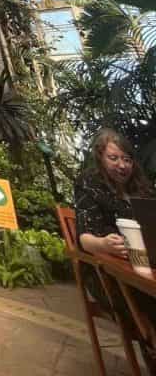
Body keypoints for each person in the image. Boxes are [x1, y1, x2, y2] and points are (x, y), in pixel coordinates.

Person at [75, 127, 156, 368]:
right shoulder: (89, 184)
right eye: (114, 158)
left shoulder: (141, 189)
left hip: (145, 266)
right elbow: (83, 238)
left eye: (127, 159)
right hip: (107, 272)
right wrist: (104, 244)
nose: (122, 165)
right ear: (100, 158)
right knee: (147, 304)